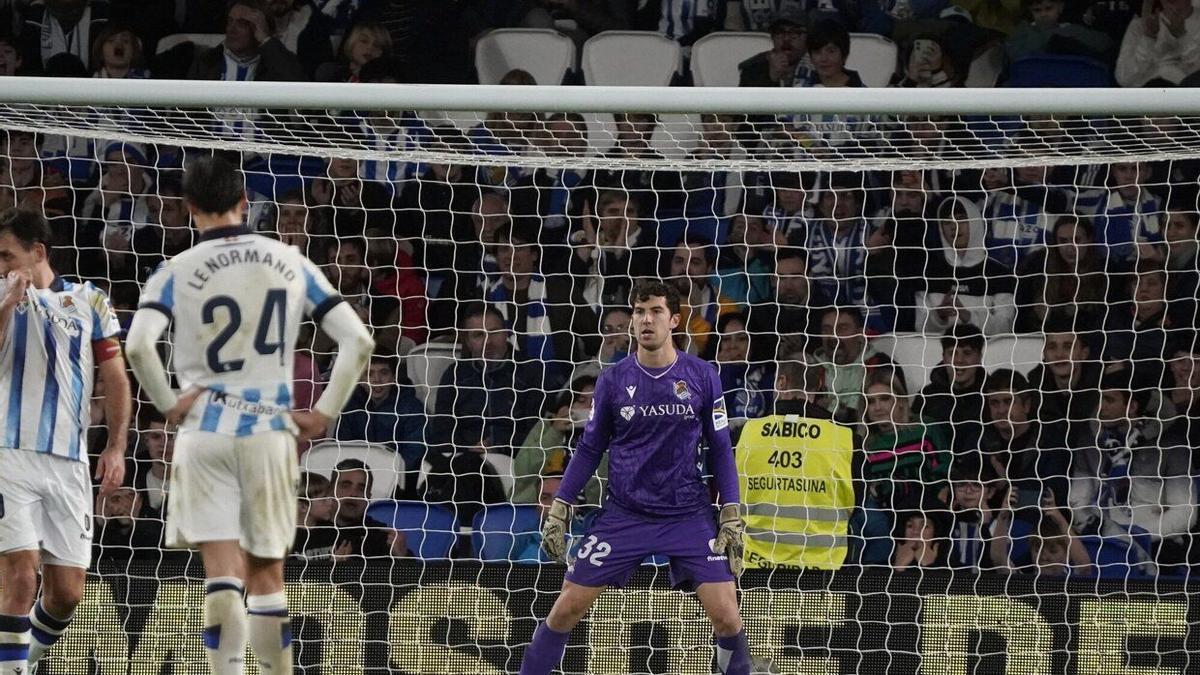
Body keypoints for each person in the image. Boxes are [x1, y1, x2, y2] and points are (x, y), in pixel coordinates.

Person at [124, 154, 375, 675]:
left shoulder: (174, 270)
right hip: (267, 430)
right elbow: (358, 340)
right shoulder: (289, 260)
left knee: (221, 577)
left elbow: (139, 347)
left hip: (204, 435)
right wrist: (324, 413)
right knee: (266, 578)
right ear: (244, 203)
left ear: (191, 208)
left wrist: (169, 404)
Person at [519, 280, 748, 675]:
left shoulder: (703, 375)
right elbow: (590, 448)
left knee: (728, 616)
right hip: (625, 515)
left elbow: (721, 446)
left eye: (656, 311)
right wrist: (561, 505)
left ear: (674, 319)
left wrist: (730, 509)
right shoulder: (612, 380)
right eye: (640, 312)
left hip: (687, 515)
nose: (646, 320)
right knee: (567, 607)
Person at [0, 207, 130, 672]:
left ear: (37, 253)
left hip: (70, 461)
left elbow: (114, 377)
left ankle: (17, 662)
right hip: (8, 454)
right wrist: (7, 303)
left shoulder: (90, 300)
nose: (2, 265)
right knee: (19, 574)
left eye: (7, 256)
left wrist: (116, 445)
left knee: (67, 593)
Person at [332, 352, 425, 472]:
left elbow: (414, 454)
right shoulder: (350, 407)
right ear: (360, 378)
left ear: (394, 377)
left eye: (384, 373)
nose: (377, 380)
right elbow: (341, 448)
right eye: (369, 374)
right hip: (357, 477)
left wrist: (386, 474)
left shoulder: (412, 408)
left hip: (397, 478)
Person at [1115, 0, 1200, 87]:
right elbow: (1124, 79)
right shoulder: (1141, 24)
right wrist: (1149, 37)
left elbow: (1196, 74)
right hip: (1145, 95)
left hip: (1185, 95)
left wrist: (1181, 35)